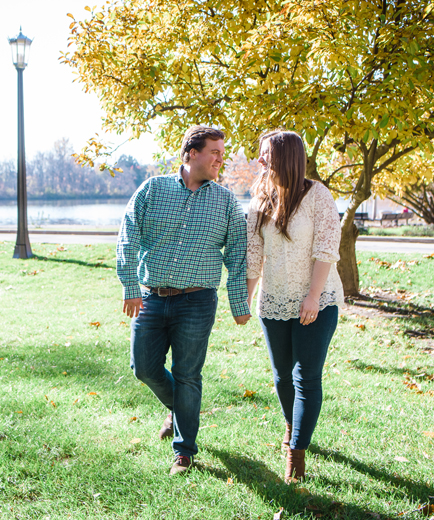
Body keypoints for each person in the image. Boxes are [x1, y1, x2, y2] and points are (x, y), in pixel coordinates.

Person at [117, 125, 252, 476]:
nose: (221, 159)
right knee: (143, 367)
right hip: (151, 297)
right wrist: (130, 285)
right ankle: (180, 410)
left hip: (197, 301)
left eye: (223, 153)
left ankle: (184, 451)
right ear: (192, 153)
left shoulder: (225, 202)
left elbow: (238, 254)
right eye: (215, 152)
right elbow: (128, 235)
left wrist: (240, 304)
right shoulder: (153, 189)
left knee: (188, 374)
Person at [245, 130, 344, 483]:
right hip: (273, 302)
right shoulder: (260, 200)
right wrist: (245, 297)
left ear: (285, 157)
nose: (260, 161)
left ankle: (296, 454)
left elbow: (327, 249)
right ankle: (293, 424)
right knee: (282, 377)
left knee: (306, 377)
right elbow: (254, 255)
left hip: (318, 300)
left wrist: (313, 296)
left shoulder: (318, 195)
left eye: (265, 155)